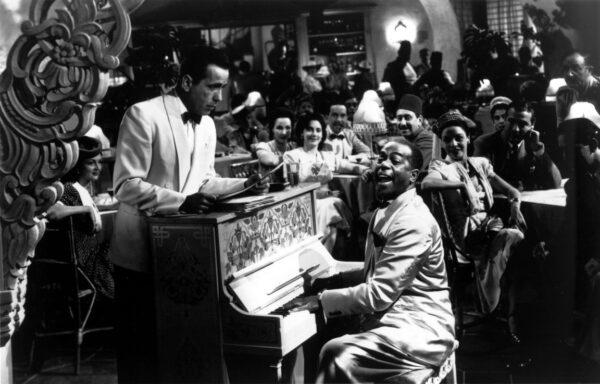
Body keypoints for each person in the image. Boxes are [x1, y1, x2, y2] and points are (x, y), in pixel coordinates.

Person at [111, 45, 268, 383]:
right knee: (142, 357)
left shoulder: (208, 125)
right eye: (212, 87)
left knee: (180, 351)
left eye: (223, 88)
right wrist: (181, 202)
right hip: (139, 257)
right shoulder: (143, 114)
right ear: (185, 81)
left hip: (183, 257)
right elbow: (125, 186)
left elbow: (205, 180)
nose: (218, 96)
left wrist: (245, 185)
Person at [285, 139, 456, 383]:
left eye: (394, 161)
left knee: (337, 353)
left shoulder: (413, 222)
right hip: (396, 312)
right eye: (380, 159)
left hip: (420, 326)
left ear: (413, 176)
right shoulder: (388, 209)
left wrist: (321, 300)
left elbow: (378, 295)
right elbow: (378, 269)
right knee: (323, 334)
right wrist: (335, 278)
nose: (382, 165)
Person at [422, 110, 528, 343]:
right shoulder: (440, 168)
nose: (453, 143)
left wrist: (515, 205)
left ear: (468, 138)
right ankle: (496, 303)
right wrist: (461, 185)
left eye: (458, 137)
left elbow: (512, 191)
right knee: (514, 237)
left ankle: (508, 311)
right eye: (447, 139)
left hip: (489, 229)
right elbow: (426, 183)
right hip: (465, 239)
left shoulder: (481, 164)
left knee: (518, 239)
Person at [283, 113, 368, 252]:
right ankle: (318, 254)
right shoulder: (292, 155)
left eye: (318, 130)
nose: (314, 134)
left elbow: (349, 166)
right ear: (301, 132)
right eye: (309, 129)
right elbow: (296, 182)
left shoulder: (327, 155)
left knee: (331, 215)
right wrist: (322, 173)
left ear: (322, 134)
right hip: (302, 203)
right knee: (329, 207)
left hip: (327, 203)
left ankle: (321, 257)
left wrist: (363, 170)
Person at [46, 136, 114, 299]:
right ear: (78, 166)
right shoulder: (70, 188)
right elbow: (53, 212)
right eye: (91, 163)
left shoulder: (82, 190)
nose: (98, 167)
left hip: (92, 255)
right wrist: (86, 209)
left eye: (100, 162)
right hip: (86, 263)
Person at [474, 101, 562, 190]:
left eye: (522, 124)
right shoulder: (485, 143)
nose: (515, 129)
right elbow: (481, 180)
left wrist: (538, 151)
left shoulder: (534, 143)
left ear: (532, 125)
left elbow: (555, 183)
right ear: (505, 119)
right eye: (511, 121)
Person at [391, 94, 434, 170]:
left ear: (419, 120)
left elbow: (411, 170)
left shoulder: (427, 140)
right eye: (399, 118)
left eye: (408, 118)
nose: (403, 123)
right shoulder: (411, 139)